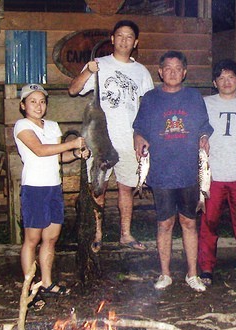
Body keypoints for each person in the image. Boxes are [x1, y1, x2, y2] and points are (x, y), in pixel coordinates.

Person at [68, 19, 154, 250]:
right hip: (100, 139)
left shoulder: (141, 72)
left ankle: (125, 234)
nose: (124, 40)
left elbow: (147, 106)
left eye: (129, 37)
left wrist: (144, 135)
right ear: (112, 38)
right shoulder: (99, 64)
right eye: (120, 35)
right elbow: (73, 89)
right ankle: (97, 235)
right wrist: (88, 70)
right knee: (99, 188)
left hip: (129, 139)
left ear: (135, 42)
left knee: (127, 187)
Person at [133, 51, 214, 292]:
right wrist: (138, 137)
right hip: (162, 172)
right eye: (167, 68)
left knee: (189, 223)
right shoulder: (150, 98)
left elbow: (204, 127)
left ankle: (192, 274)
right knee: (165, 224)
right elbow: (139, 128)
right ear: (160, 71)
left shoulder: (193, 97)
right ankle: (165, 274)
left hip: (190, 172)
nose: (172, 72)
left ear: (185, 72)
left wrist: (203, 137)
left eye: (178, 68)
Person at [14, 84, 88, 301]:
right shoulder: (22, 125)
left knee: (51, 237)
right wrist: (71, 144)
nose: (38, 106)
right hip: (34, 189)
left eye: (42, 101)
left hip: (54, 188)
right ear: (23, 105)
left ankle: (46, 282)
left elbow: (56, 157)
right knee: (32, 238)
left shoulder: (53, 126)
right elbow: (39, 150)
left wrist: (76, 153)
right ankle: (29, 288)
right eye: (33, 101)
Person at [197, 59, 236, 286]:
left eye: (231, 77)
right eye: (221, 78)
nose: (226, 82)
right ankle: (206, 267)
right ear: (215, 82)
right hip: (212, 175)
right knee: (209, 222)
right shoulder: (204, 103)